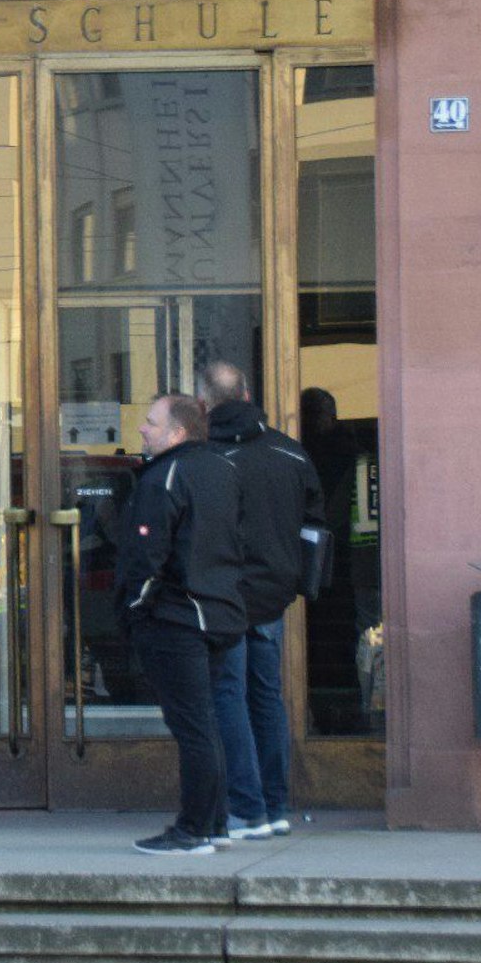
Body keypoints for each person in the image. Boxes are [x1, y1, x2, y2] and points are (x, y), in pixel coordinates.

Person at [201, 362, 327, 841]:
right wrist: (293, 580)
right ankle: (273, 806)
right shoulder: (290, 453)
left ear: (203, 403)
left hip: (223, 595)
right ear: (248, 393)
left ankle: (247, 808)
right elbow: (315, 526)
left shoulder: (203, 456)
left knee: (227, 697)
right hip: (272, 596)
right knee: (266, 697)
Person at [119, 394, 245, 856]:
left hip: (177, 618)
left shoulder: (165, 475)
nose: (143, 430)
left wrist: (135, 606)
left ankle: (193, 828)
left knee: (192, 725)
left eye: (150, 422)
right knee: (205, 722)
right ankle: (212, 824)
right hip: (219, 614)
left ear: (177, 432)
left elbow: (146, 555)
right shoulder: (225, 469)